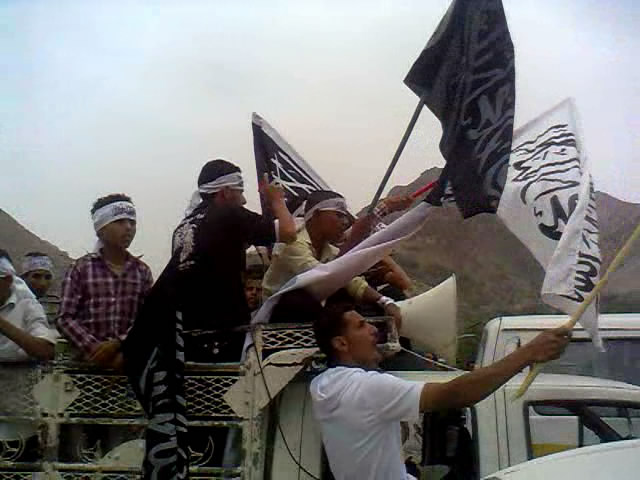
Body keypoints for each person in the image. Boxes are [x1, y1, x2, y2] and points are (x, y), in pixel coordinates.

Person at [123, 158, 296, 480]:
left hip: (183, 338)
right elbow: (289, 231)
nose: (244, 199)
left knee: (192, 423)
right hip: (219, 337)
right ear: (225, 192)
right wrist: (277, 200)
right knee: (218, 423)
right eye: (240, 192)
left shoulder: (184, 225)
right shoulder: (228, 214)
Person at [309, 297, 570, 480]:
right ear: (341, 344)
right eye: (361, 326)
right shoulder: (368, 389)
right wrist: (528, 353)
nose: (373, 330)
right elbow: (454, 394)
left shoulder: (322, 385)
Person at [262, 190, 403, 325]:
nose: (344, 222)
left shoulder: (330, 251)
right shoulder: (292, 244)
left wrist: (385, 301)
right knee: (309, 298)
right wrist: (355, 238)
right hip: (279, 315)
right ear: (316, 215)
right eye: (338, 215)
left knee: (383, 299)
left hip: (312, 311)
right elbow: (325, 276)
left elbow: (350, 280)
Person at [57, 194, 153, 369]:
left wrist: (119, 345)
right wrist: (95, 349)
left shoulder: (142, 272)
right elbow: (65, 318)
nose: (128, 227)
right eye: (119, 222)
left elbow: (148, 320)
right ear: (100, 229)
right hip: (86, 370)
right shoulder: (81, 269)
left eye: (132, 222)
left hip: (127, 369)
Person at [0, 250, 58, 460]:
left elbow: (45, 350)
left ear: (8, 280)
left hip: (19, 420)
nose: (42, 283)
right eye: (36, 276)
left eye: (47, 276)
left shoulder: (28, 306)